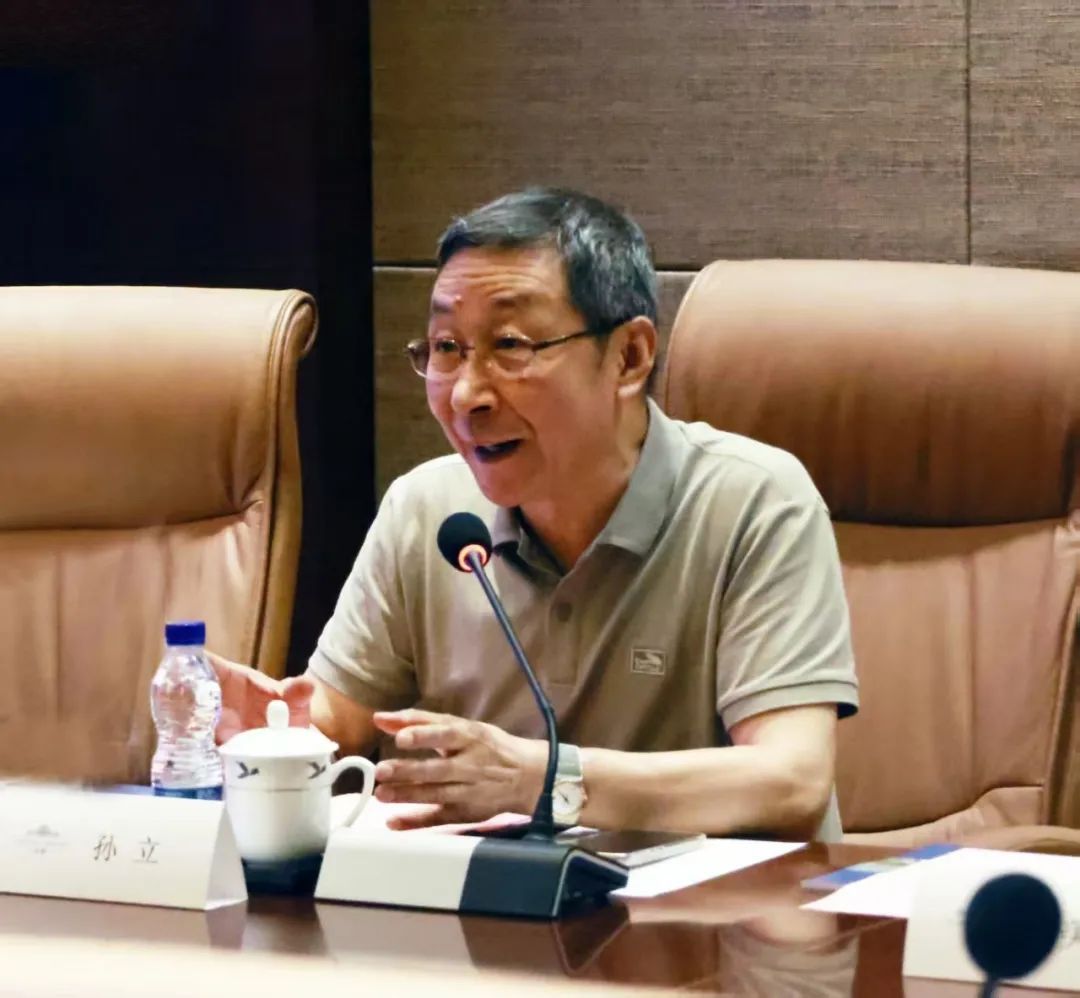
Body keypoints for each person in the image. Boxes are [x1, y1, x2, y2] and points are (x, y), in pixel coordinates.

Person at [212, 187, 859, 840]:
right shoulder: (427, 509)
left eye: (510, 345)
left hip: (709, 903)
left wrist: (542, 779)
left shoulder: (755, 502)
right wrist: (284, 732)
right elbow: (342, 718)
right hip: (487, 900)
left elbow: (792, 781)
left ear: (629, 357)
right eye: (446, 347)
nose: (465, 395)